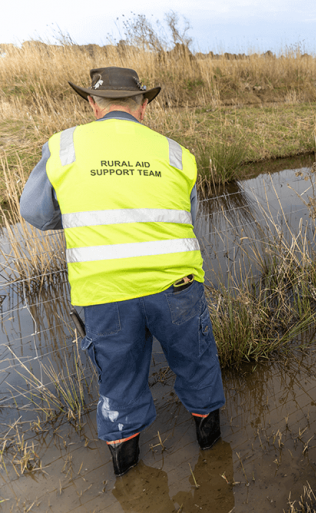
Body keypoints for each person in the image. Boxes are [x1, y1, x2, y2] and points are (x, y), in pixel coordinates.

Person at [19, 67, 226, 477]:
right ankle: (214, 460)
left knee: (118, 385)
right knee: (197, 367)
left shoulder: (64, 147)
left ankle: (129, 482)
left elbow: (36, 213)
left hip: (104, 293)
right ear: (143, 106)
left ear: (94, 105)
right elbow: (189, 220)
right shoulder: (175, 153)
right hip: (177, 287)